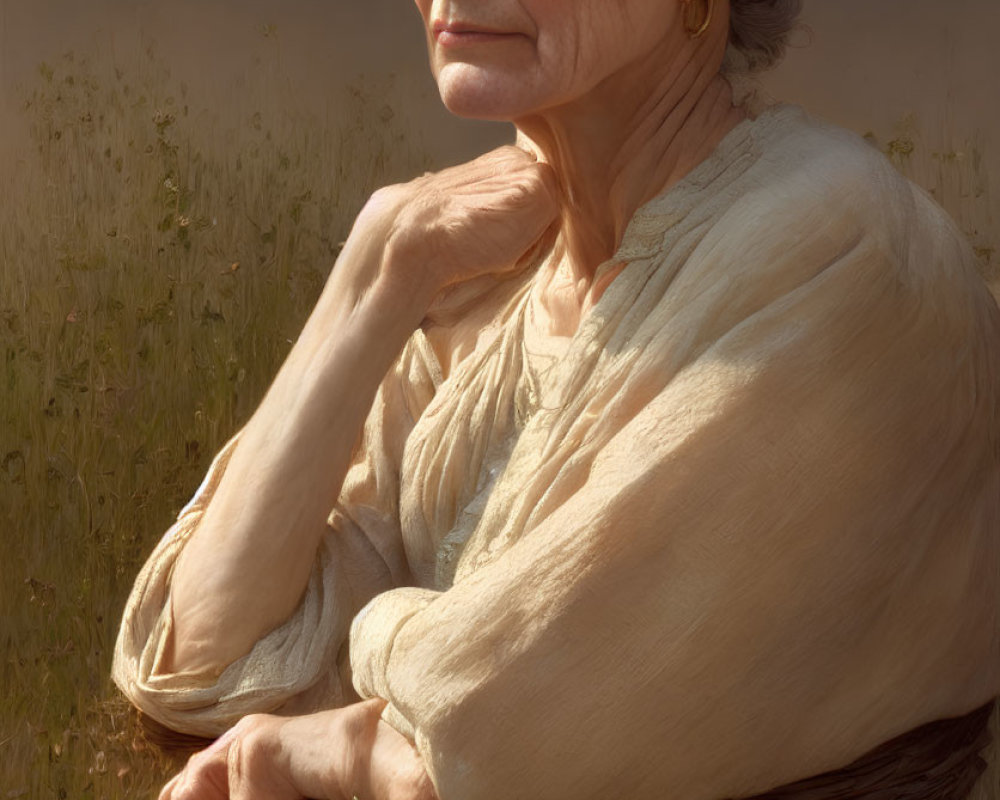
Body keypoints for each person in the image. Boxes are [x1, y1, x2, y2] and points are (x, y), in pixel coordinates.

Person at [112, 0, 1000, 798]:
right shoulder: (490, 271)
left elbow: (469, 750)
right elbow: (200, 667)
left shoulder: (841, 248)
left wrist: (336, 692)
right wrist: (383, 266)